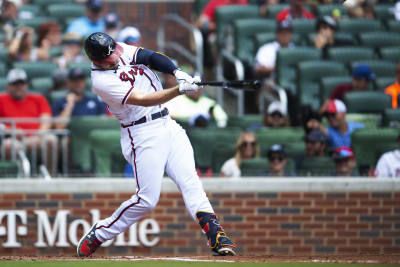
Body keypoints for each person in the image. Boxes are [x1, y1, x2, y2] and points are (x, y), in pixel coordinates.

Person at [76, 32, 236, 257]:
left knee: (191, 183)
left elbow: (149, 57)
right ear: (96, 60)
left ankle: (216, 235)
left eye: (114, 52)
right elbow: (143, 99)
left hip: (167, 124)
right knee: (147, 200)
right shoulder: (101, 82)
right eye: (109, 56)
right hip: (141, 133)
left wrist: (177, 73)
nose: (115, 57)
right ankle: (100, 233)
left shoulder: (117, 49)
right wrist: (179, 91)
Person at [0, 68, 56, 172]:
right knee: (8, 145)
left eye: (22, 83)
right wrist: (11, 130)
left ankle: (50, 176)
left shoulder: (38, 99)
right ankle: (15, 177)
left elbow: (46, 120)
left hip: (36, 137)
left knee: (51, 140)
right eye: (15, 84)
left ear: (26, 85)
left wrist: (39, 134)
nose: (19, 87)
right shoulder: (1, 99)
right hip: (13, 139)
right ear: (8, 86)